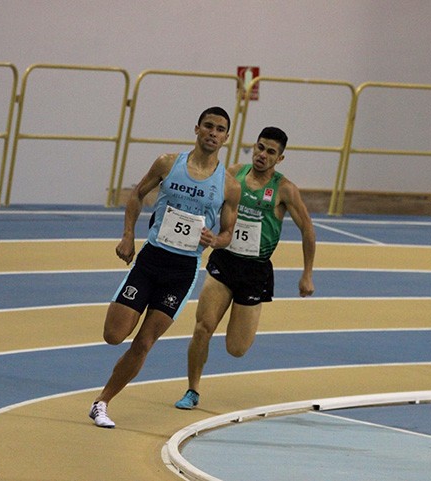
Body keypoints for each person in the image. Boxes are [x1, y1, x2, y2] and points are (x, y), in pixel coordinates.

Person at [89, 106, 241, 428]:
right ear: (197, 129)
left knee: (144, 342)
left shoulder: (228, 186)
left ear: (226, 138)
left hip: (182, 272)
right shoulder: (168, 164)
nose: (213, 133)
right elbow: (137, 195)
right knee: (114, 335)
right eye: (208, 126)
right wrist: (128, 236)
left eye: (220, 129)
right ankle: (103, 397)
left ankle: (102, 402)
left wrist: (216, 240)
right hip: (150, 261)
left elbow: (229, 233)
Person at [174, 126, 316, 410]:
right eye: (260, 148)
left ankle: (240, 317)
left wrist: (307, 273)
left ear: (280, 158)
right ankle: (192, 390)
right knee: (203, 328)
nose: (263, 155)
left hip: (255, 271)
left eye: (271, 152)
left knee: (236, 348)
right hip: (225, 261)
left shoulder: (284, 189)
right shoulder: (235, 173)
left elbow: (308, 230)